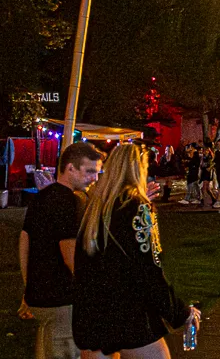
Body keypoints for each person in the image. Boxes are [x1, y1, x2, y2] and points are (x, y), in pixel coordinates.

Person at [72, 144, 200, 358]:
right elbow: (149, 270)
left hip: (93, 316)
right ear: (139, 169)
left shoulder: (96, 208)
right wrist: (180, 313)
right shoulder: (138, 208)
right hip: (130, 316)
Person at [19, 143, 100, 359]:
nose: (94, 178)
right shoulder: (69, 202)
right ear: (70, 168)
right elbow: (71, 255)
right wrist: (93, 290)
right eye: (89, 171)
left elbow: (25, 241)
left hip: (40, 297)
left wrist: (28, 286)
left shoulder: (41, 197)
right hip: (62, 299)